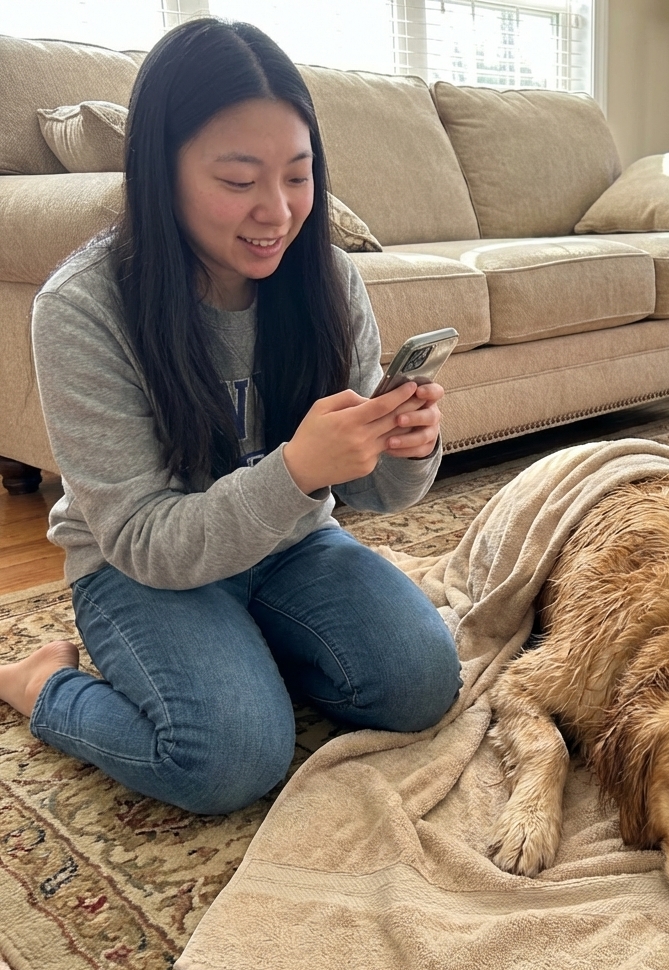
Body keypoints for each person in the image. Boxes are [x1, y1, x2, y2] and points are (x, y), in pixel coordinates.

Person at [0, 18, 462, 815]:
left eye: (298, 176)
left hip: (290, 546)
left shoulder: (327, 279)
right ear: (162, 171)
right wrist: (297, 470)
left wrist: (406, 446)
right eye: (239, 180)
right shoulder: (82, 307)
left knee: (423, 682)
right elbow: (140, 537)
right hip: (139, 568)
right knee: (229, 760)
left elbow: (374, 495)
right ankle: (42, 683)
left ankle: (250, 654)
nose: (277, 212)